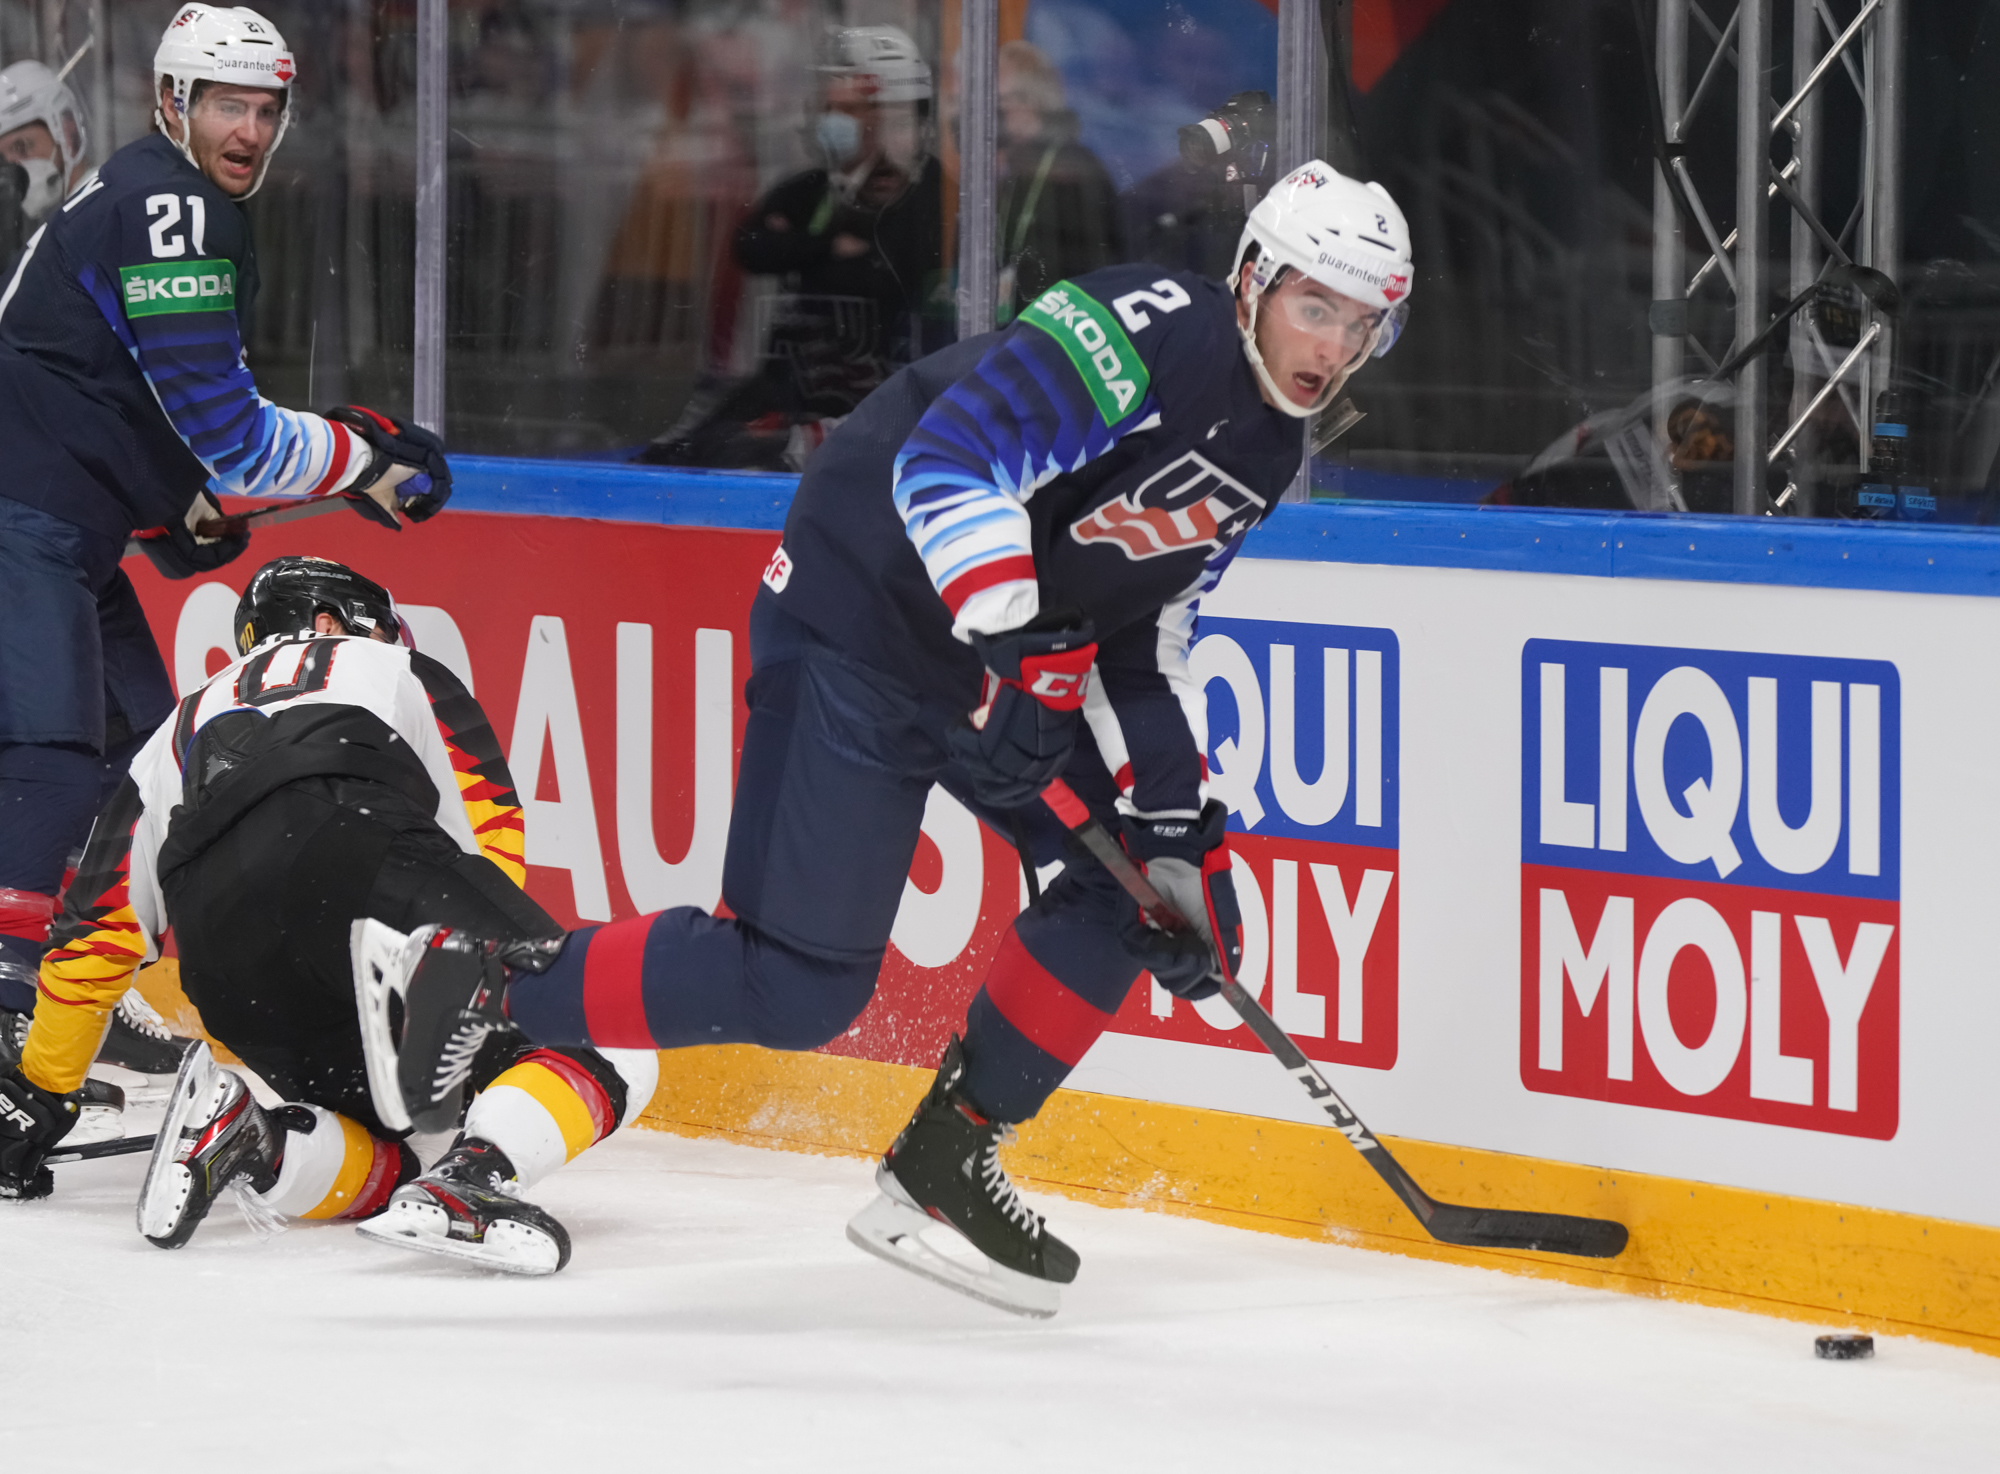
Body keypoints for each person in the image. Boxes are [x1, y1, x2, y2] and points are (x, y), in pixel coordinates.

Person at [353, 161, 1414, 1316]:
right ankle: (484, 980)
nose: (1332, 345)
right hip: (860, 616)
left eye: (1361, 323)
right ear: (1253, 277)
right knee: (799, 984)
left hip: (1000, 658)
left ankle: (947, 1160)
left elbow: (1151, 625)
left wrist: (1168, 823)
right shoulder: (1138, 327)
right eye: (1315, 306)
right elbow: (949, 462)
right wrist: (1021, 662)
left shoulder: (1267, 443)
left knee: (1131, 899)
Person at [0, 6, 452, 1090]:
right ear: (172, 102)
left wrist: (167, 508)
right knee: (53, 762)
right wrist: (366, 455)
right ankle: (14, 1002)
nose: (247, 129)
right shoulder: (173, 205)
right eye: (224, 104)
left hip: (64, 525)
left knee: (143, 761)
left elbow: (96, 386)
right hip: (27, 524)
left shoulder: (149, 186)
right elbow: (228, 430)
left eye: (264, 108)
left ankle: (64, 991)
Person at [0, 557, 659, 1274]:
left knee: (387, 1153)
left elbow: (93, 936)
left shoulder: (173, 731)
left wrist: (41, 1087)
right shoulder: (390, 664)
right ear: (325, 620)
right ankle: (475, 1183)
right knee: (602, 1021)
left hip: (223, 951)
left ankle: (256, 1137)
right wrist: (488, 986)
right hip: (353, 848)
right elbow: (489, 826)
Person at [636, 24, 947, 470]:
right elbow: (751, 246)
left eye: (849, 109)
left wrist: (805, 249)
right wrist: (826, 246)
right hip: (794, 387)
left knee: (752, 455)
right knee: (684, 453)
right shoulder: (816, 188)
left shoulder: (938, 197)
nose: (831, 119)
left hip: (887, 407)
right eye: (829, 106)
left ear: (896, 118)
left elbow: (883, 275)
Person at [994, 41, 1124, 323]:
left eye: (1002, 103)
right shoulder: (1008, 170)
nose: (996, 116)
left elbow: (1101, 273)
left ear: (1032, 100)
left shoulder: (1075, 171)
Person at [0, 59, 94, 266]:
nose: (16, 168)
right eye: (5, 160)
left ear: (67, 132)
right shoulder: (40, 232)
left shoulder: (106, 211)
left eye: (21, 147)